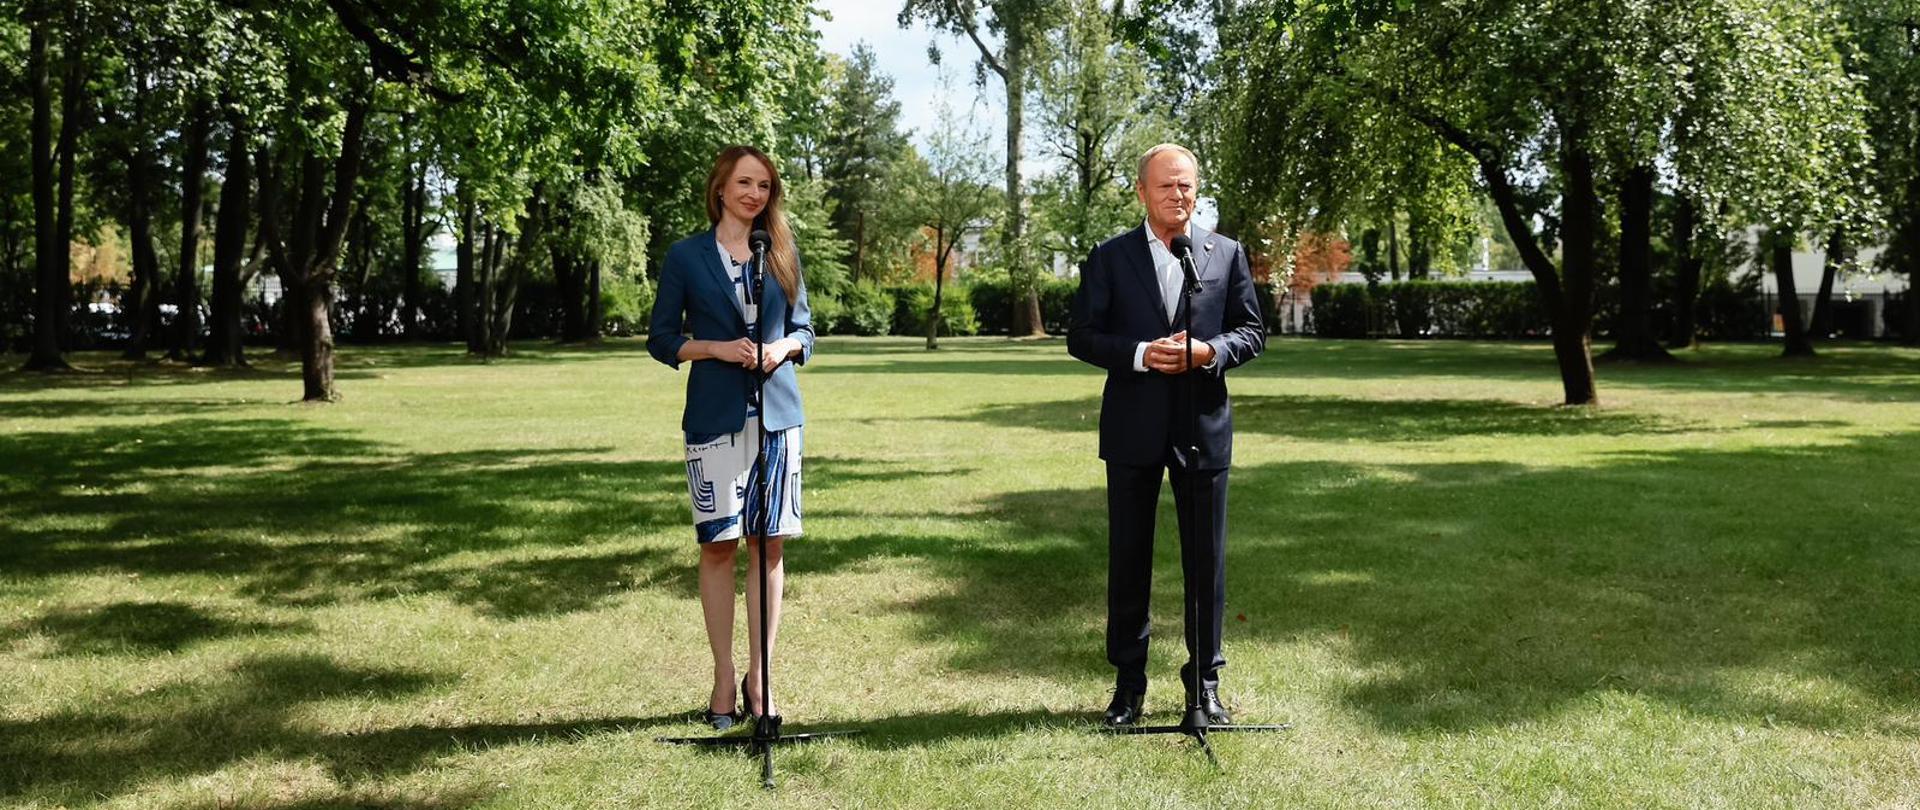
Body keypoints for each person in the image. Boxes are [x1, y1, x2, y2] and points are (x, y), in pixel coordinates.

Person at [1066, 143, 1265, 726]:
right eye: (1167, 186)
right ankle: (1128, 687)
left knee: (1206, 566)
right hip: (1132, 429)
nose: (1179, 195)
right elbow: (1081, 335)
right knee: (1129, 562)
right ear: (1141, 191)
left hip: (1203, 428)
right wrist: (1137, 354)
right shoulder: (1108, 258)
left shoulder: (1224, 254)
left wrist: (1209, 351)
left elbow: (1252, 332)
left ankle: (1204, 687)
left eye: (1187, 186)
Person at [648, 145, 814, 730]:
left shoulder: (783, 251)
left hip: (778, 417)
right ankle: (723, 677)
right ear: (720, 188)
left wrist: (784, 348)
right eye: (745, 183)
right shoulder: (686, 256)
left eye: (765, 186)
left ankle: (761, 680)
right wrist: (715, 348)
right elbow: (662, 339)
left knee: (769, 546)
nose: (755, 194)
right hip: (715, 419)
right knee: (719, 546)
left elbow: (806, 330)